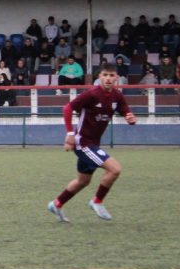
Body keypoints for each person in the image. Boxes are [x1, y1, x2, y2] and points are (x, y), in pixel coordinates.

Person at [47, 62, 138, 222]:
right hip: (83, 143)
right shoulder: (92, 94)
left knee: (83, 181)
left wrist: (131, 119)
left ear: (117, 78)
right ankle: (97, 202)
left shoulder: (117, 96)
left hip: (93, 144)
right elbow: (67, 108)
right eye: (105, 75)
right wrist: (69, 134)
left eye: (111, 75)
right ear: (99, 77)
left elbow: (127, 113)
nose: (108, 79)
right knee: (114, 170)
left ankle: (57, 204)